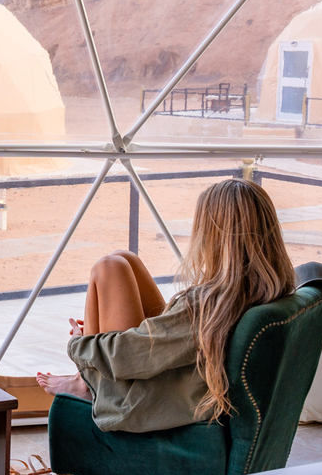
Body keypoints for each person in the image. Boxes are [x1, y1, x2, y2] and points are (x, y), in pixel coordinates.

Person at [36, 178, 306, 432]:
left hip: (138, 402)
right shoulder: (269, 289)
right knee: (124, 259)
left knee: (108, 267)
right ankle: (84, 380)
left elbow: (125, 357)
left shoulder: (207, 306)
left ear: (213, 236)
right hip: (182, 383)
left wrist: (81, 343)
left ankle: (87, 384)